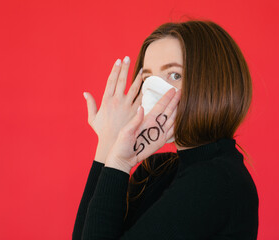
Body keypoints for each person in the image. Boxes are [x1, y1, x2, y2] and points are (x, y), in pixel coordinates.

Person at [73, 20, 259, 239]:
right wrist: (108, 145)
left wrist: (119, 163)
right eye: (147, 79)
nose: (153, 89)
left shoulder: (216, 180)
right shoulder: (156, 171)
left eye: (174, 75)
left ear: (211, 82)